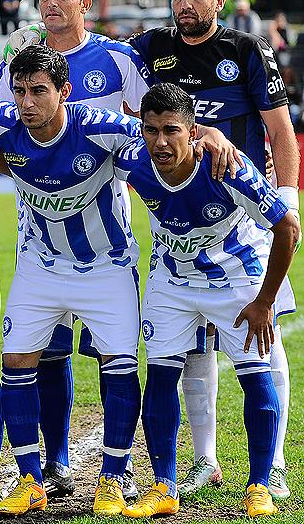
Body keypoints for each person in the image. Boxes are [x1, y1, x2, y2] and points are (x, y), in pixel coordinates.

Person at [0, 45, 235, 517]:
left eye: (39, 91)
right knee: (16, 361)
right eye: (19, 91)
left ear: (65, 91)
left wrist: (211, 133)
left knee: (118, 365)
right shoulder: (3, 122)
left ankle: (113, 478)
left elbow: (163, 131)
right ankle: (30, 480)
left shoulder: (100, 126)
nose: (26, 102)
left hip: (107, 265)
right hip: (41, 265)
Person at [129, 0, 299, 501]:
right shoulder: (150, 48)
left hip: (244, 212)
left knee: (262, 344)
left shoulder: (247, 50)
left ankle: (271, 465)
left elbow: (281, 131)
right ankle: (204, 461)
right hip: (179, 214)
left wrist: (287, 197)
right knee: (192, 352)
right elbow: (131, 105)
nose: (184, 5)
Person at [0, 0, 152, 502]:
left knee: (113, 356)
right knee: (45, 353)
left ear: (86, 2)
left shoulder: (117, 58)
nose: (52, 4)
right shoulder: (18, 64)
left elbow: (156, 119)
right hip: (39, 238)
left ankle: (116, 472)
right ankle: (51, 463)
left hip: (105, 232)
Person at [116, 83, 298, 518]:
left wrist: (265, 301)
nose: (161, 142)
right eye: (151, 130)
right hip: (172, 281)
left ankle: (260, 484)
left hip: (235, 280)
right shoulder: (132, 158)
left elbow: (288, 228)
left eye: (172, 131)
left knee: (255, 375)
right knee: (161, 376)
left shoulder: (226, 167)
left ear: (192, 131)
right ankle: (163, 486)